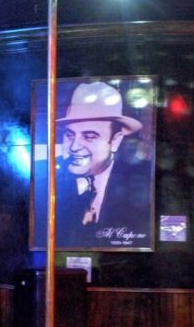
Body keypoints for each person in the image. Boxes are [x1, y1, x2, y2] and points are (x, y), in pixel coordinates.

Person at [33, 81, 152, 249]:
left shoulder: (142, 180)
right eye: (69, 135)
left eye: (89, 136)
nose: (74, 146)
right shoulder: (41, 178)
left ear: (115, 141)